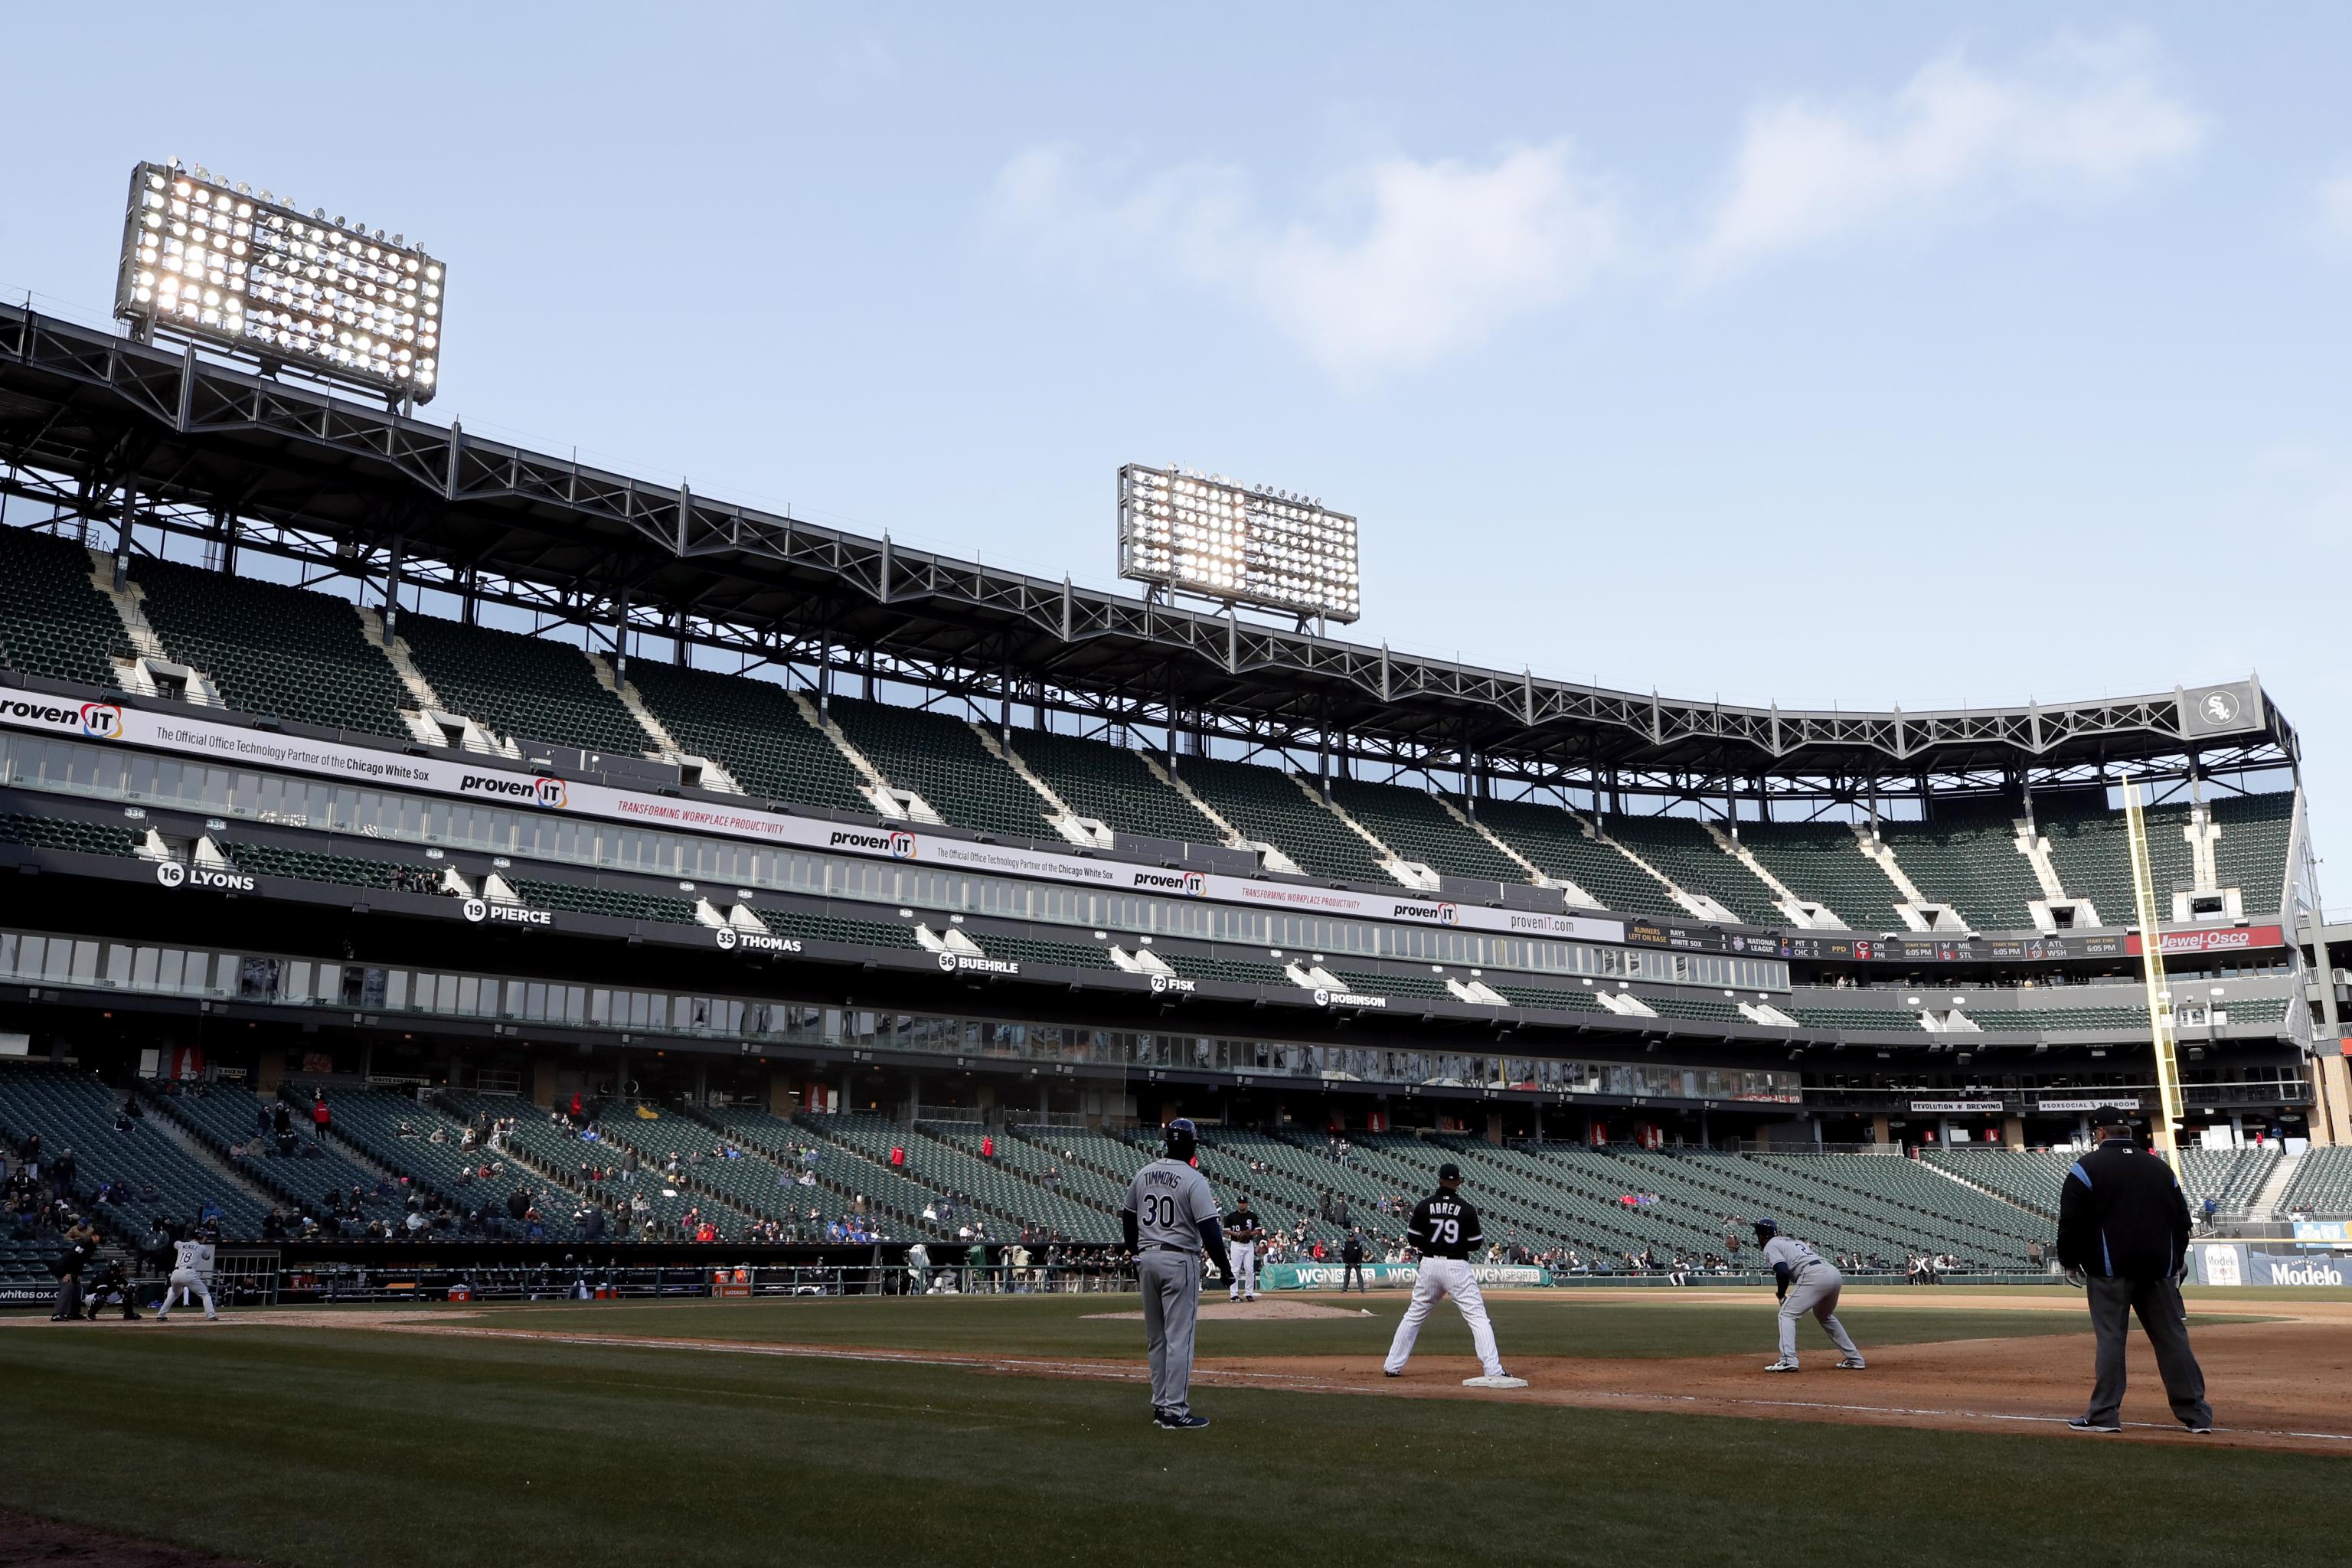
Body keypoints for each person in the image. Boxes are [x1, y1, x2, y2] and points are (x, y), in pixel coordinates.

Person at [2055, 1119, 2211, 1433]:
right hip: (2158, 1270)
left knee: (2112, 1338)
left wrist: (2070, 1262)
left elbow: (2071, 1221)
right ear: (2129, 1134)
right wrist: (2174, 1260)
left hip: (2109, 1269)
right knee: (2172, 1338)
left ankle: (2104, 1415)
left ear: (2100, 1134)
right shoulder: (2160, 1168)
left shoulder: (2086, 1167)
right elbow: (2182, 1222)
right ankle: (2196, 1416)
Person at [1119, 1118, 1230, 1431]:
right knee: (1180, 1339)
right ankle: (1175, 1412)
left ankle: (1160, 1406)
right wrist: (1224, 1267)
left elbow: (1128, 1217)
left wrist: (1135, 1251)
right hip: (1179, 1259)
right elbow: (1209, 1229)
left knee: (1157, 1339)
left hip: (1148, 1258)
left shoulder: (1143, 1174)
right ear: (1192, 1145)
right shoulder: (1193, 1179)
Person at [1382, 1164, 1521, 1387]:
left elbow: (1413, 1238)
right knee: (1477, 1317)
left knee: (1414, 1315)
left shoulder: (1425, 1206)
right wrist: (1456, 1243)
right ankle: (1493, 1369)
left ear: (1438, 1180)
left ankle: (1392, 1366)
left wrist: (1431, 1243)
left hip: (1429, 1264)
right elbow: (1476, 1243)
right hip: (1457, 1265)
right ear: (1458, 1182)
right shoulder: (1466, 1209)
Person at [1754, 1217, 1864, 1372]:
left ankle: (1788, 1360)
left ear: (1761, 1236)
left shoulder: (1771, 1245)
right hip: (1832, 1273)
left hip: (1814, 1275)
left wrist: (1780, 1294)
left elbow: (1782, 1271)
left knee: (1786, 1314)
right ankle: (1855, 1359)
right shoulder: (1792, 1241)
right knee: (1824, 1316)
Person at [155, 1228, 219, 1321]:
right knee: (205, 1294)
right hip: (188, 1273)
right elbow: (207, 1257)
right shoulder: (202, 1247)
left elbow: (174, 1243)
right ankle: (211, 1315)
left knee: (174, 1294)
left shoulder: (182, 1244)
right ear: (201, 1237)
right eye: (204, 1236)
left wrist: (185, 1241)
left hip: (176, 1274)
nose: (205, 1238)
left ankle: (161, 1314)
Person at [1225, 1195, 1264, 1302]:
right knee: (1235, 1270)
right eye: (1240, 1202)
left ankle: (1249, 1294)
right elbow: (1226, 1230)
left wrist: (1249, 1234)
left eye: (1243, 1202)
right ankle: (1233, 1295)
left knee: (1250, 1270)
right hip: (1236, 1244)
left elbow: (1258, 1229)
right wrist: (1238, 1234)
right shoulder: (1231, 1216)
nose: (1242, 1204)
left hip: (1249, 1245)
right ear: (1238, 1204)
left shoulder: (1252, 1216)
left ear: (1247, 1204)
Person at [1341, 1227, 1369, 1293]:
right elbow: (1343, 1254)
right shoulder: (1345, 1244)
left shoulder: (1358, 1243)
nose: (1351, 1238)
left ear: (1354, 1237)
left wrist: (1359, 1262)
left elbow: (1360, 1253)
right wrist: (1346, 1262)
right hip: (1349, 1262)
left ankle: (1362, 1289)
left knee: (1359, 1275)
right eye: (1350, 1237)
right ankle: (1344, 1289)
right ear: (1348, 1237)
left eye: (1352, 1237)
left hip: (1357, 1262)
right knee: (1347, 1275)